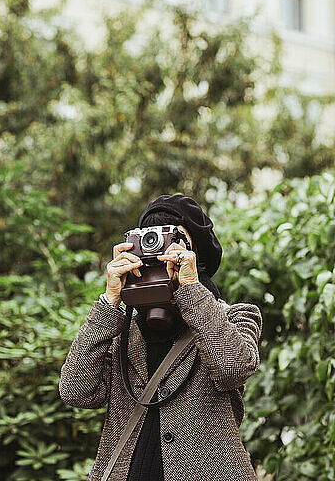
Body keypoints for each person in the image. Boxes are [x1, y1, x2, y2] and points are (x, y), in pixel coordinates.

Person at [59, 194, 263, 481]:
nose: (160, 252)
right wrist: (110, 300)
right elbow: (76, 392)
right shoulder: (122, 326)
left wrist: (190, 288)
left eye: (173, 240)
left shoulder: (234, 317)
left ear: (198, 256)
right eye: (150, 241)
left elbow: (232, 369)